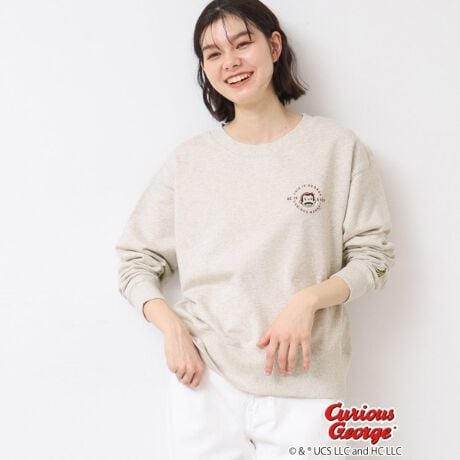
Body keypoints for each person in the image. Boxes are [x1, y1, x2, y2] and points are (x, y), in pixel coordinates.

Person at [114, 1, 396, 458]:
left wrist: (308, 300)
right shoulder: (189, 162)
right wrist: (172, 329)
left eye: (242, 44)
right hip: (204, 381)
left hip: (308, 383)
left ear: (274, 46)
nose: (230, 62)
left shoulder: (336, 148)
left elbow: (374, 258)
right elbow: (135, 261)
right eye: (213, 53)